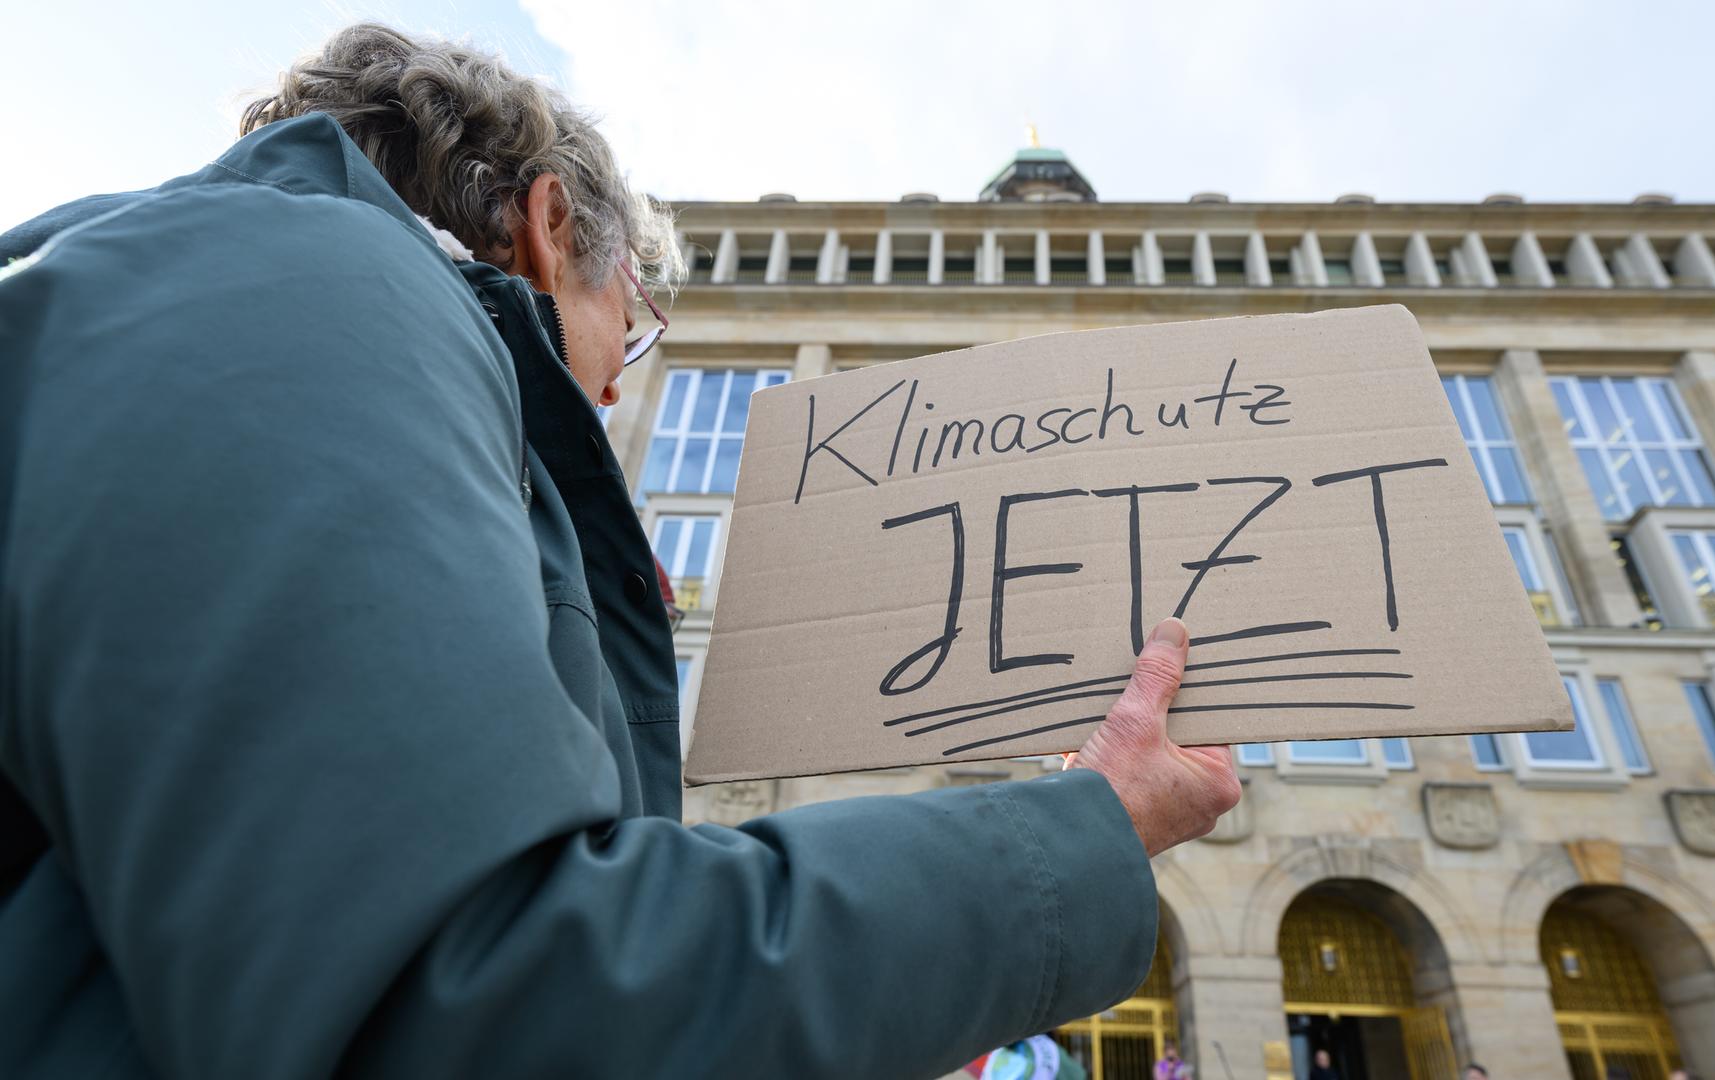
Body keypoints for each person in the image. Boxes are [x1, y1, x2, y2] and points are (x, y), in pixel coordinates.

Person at [0, 22, 1241, 1079]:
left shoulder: (220, 296)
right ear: (547, 224)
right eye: (635, 329)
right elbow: (492, 1001)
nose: (608, 396)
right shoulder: (309, 291)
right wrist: (1090, 830)